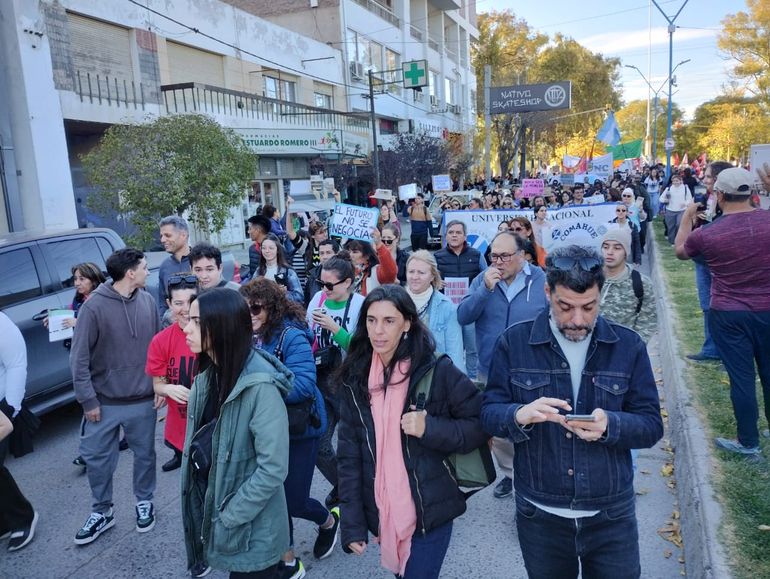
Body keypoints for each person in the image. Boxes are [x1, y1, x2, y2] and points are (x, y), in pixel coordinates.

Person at [482, 245, 664, 578]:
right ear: (547, 292)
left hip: (610, 515)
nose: (578, 320)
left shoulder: (628, 345)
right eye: (565, 307)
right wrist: (518, 415)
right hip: (540, 515)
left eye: (589, 307)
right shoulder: (514, 342)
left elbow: (651, 425)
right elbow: (489, 412)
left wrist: (611, 425)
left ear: (600, 295)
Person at [337, 285, 488, 579]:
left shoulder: (436, 370)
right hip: (384, 512)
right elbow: (349, 456)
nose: (378, 331)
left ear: (407, 323)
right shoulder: (355, 378)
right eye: (371, 320)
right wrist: (352, 523)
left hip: (431, 510)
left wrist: (431, 428)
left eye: (389, 321)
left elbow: (479, 424)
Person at [181, 289, 291, 579]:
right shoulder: (211, 374)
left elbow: (273, 468)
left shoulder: (260, 387)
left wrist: (229, 515)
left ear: (222, 325)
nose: (186, 328)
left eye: (196, 322)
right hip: (228, 519)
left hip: (253, 529)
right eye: (188, 319)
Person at [241, 278, 337, 578]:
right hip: (264, 429)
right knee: (275, 498)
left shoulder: (291, 335)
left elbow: (303, 385)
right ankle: (289, 559)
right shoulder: (244, 336)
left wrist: (258, 389)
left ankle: (328, 521)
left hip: (300, 429)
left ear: (272, 307)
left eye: (256, 308)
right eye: (245, 310)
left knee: (294, 501)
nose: (250, 315)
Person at [675, 167, 770, 456]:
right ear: (752, 193)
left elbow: (680, 250)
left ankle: (748, 442)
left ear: (719, 195)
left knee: (741, 378)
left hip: (728, 313)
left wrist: (687, 217)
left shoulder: (707, 234)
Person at [70, 248, 162, 545]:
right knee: (97, 461)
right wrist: (88, 400)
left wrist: (160, 386)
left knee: (145, 456)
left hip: (143, 400)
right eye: (144, 267)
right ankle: (102, 511)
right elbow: (78, 359)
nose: (148, 271)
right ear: (130, 273)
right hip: (104, 403)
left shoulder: (148, 301)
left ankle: (144, 501)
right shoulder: (93, 307)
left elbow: (158, 349)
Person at [457, 231, 548, 499]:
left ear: (522, 256)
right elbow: (463, 316)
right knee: (499, 428)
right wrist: (484, 290)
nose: (497, 262)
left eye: (504, 256)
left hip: (532, 371)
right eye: (493, 256)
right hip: (491, 369)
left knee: (533, 424)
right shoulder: (482, 280)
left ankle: (534, 476)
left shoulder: (542, 280)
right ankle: (511, 474)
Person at [306, 253, 365, 509]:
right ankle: (346, 488)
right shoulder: (318, 300)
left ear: (348, 282)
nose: (324, 289)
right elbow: (307, 337)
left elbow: (362, 349)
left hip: (350, 384)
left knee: (356, 445)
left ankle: (360, 493)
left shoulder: (361, 305)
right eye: (321, 283)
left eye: (329, 285)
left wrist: (334, 328)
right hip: (322, 382)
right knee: (319, 445)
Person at [145, 274, 199, 473]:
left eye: (191, 301)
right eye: (178, 303)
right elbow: (157, 384)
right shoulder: (161, 341)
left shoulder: (213, 333)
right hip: (180, 424)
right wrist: (167, 388)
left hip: (209, 425)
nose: (185, 309)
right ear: (168, 303)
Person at [686, 161, 731, 362]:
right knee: (707, 305)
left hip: (721, 262)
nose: (704, 180)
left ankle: (728, 353)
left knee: (724, 306)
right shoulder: (706, 198)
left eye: (708, 176)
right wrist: (697, 217)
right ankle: (711, 349)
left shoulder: (731, 203)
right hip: (703, 259)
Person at [0, 312, 38, 552]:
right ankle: (4, 522)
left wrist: (10, 406)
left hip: (2, 405)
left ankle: (23, 517)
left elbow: (15, 363)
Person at [434, 220, 486, 381]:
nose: (454, 235)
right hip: (448, 311)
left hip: (470, 310)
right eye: (451, 232)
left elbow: (487, 278)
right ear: (446, 236)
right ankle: (452, 381)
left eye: (458, 232)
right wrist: (435, 283)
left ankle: (473, 380)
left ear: (465, 236)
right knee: (450, 349)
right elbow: (429, 280)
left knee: (472, 349)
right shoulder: (437, 257)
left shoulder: (476, 255)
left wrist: (476, 289)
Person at [406, 251, 465, 372]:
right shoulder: (395, 302)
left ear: (432, 276)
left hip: (433, 374)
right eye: (411, 271)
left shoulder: (447, 307)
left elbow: (455, 352)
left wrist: (456, 381)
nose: (415, 277)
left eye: (421, 272)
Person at [600, 230, 658, 344]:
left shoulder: (641, 283)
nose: (610, 252)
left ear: (626, 252)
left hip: (623, 347)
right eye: (605, 247)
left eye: (617, 248)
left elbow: (648, 321)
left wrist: (634, 347)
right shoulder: (589, 279)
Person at [344, 229, 398, 296]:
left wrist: (379, 244)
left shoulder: (376, 271)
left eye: (355, 252)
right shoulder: (350, 271)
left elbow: (390, 273)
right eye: (349, 251)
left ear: (367, 255)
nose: (351, 255)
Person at [157, 216, 191, 316]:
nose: (163, 240)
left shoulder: (201, 262)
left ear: (183, 235)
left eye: (168, 235)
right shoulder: (164, 267)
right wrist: (166, 319)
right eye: (161, 236)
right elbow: (163, 304)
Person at [256, 233, 304, 303]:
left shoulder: (288, 271)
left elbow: (299, 297)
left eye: (271, 248)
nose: (267, 251)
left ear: (278, 250)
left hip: (283, 309)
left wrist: (284, 293)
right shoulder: (259, 271)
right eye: (264, 248)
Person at [304, 239, 339, 306]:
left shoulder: (344, 274)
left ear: (337, 254)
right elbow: (307, 302)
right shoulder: (312, 276)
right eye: (321, 253)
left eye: (328, 253)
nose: (324, 257)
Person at [660, 174, 692, 244]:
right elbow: (661, 198)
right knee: (671, 227)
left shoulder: (685, 188)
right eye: (674, 181)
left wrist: (685, 203)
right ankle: (672, 241)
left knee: (679, 224)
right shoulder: (668, 189)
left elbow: (689, 199)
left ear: (680, 181)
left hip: (681, 210)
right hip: (670, 210)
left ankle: (678, 240)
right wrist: (665, 200)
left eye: (677, 181)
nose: (675, 182)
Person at [247, 215, 272, 280]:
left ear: (258, 230)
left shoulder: (276, 247)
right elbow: (252, 272)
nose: (248, 232)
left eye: (250, 229)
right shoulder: (252, 249)